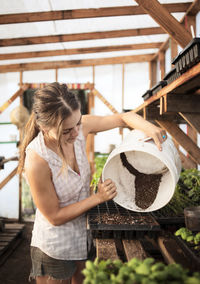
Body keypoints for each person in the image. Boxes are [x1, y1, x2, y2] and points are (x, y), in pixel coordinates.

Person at [18, 82, 167, 284]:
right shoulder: (37, 160)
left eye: (78, 123)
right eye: (67, 130)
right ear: (44, 127)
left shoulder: (78, 128)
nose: (77, 133)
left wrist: (148, 127)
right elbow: (54, 217)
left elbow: (123, 118)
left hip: (84, 235)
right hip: (55, 246)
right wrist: (98, 197)